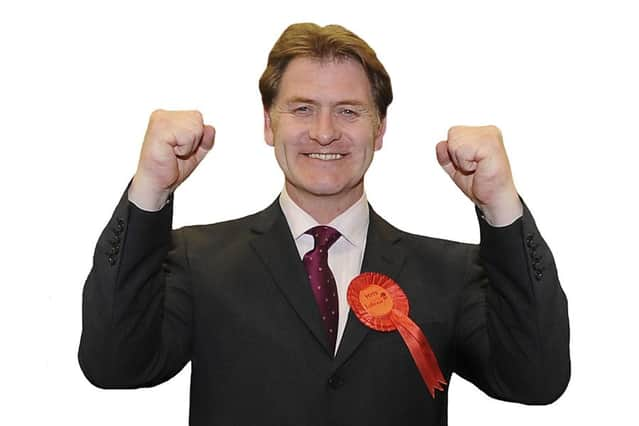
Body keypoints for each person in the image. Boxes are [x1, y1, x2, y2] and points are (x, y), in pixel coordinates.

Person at [78, 23, 570, 425]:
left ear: (379, 130)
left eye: (349, 112)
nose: (325, 131)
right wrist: (150, 188)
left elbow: (537, 380)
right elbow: (113, 365)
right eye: (302, 109)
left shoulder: (451, 271)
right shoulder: (196, 258)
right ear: (270, 125)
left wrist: (502, 204)